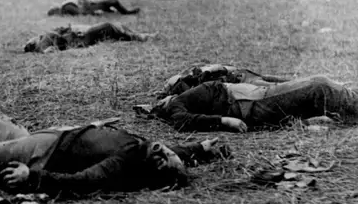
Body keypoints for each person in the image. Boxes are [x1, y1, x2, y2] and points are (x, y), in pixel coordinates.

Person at [0, 121, 227, 195]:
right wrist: (200, 149)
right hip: (46, 136)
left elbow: (85, 182)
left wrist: (32, 179)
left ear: (153, 172)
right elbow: (170, 153)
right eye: (167, 153)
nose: (162, 152)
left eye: (163, 161)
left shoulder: (127, 162)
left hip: (40, 154)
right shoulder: (147, 150)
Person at [150, 75, 358, 132]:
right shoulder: (175, 105)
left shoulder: (183, 97)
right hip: (252, 103)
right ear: (161, 108)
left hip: (254, 97)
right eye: (160, 102)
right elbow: (182, 121)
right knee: (319, 86)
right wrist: (224, 121)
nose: (163, 98)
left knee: (318, 89)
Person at [159, 64, 290, 97]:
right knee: (277, 86)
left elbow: (222, 68)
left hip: (242, 74)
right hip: (244, 81)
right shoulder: (201, 87)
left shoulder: (202, 73)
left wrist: (209, 71)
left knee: (280, 81)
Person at [24, 22, 154, 53]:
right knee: (108, 26)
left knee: (114, 29)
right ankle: (139, 37)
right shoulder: (43, 40)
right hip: (80, 40)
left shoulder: (44, 39)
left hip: (79, 37)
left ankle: (139, 35)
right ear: (32, 43)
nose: (32, 38)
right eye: (30, 40)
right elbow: (48, 50)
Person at [47, 0, 140, 17]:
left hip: (91, 2)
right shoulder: (66, 6)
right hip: (91, 5)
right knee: (114, 1)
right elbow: (81, 12)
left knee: (110, 4)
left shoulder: (65, 5)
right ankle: (126, 12)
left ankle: (112, 11)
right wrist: (95, 14)